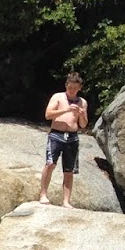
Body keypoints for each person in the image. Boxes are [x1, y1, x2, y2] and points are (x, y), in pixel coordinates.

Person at [40, 72, 88, 206]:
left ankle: (66, 201)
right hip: (56, 134)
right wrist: (66, 110)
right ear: (66, 85)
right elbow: (48, 115)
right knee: (50, 164)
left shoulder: (82, 102)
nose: (72, 90)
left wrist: (82, 114)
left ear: (79, 88)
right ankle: (43, 194)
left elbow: (83, 125)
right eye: (70, 87)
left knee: (69, 170)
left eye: (75, 88)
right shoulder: (58, 97)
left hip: (72, 137)